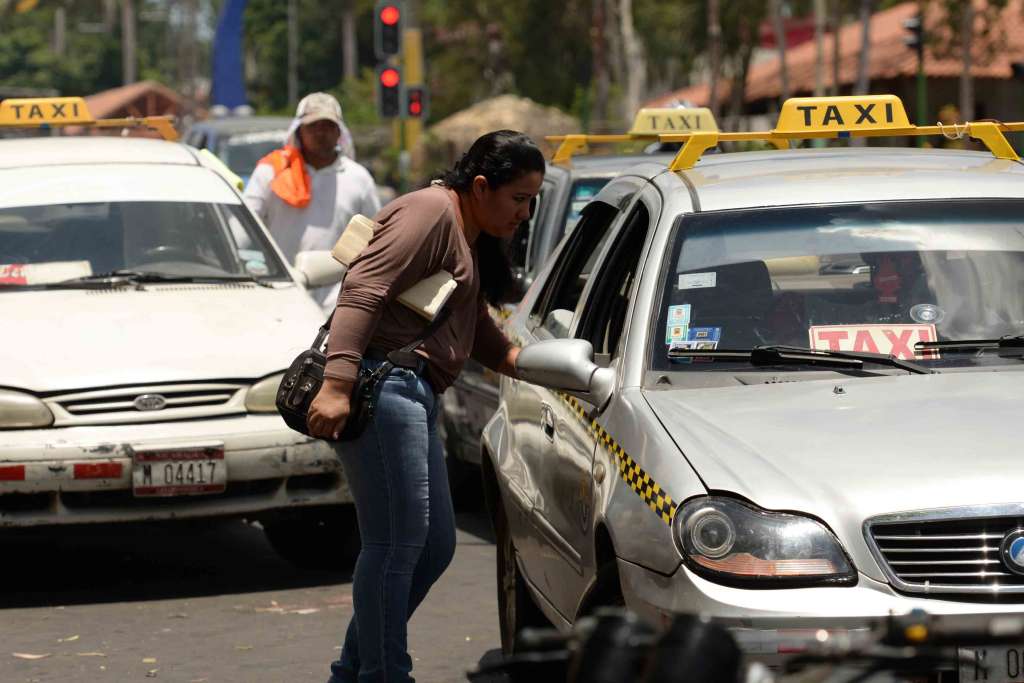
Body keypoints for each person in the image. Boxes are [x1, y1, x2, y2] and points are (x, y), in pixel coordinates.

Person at [306, 130, 545, 683]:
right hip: (382, 389)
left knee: (433, 546)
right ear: (481, 186)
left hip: (412, 393)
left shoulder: (465, 226)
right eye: (518, 199)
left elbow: (469, 318)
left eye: (532, 200)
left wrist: (519, 360)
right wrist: (338, 383)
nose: (526, 213)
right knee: (395, 546)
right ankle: (385, 674)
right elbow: (363, 288)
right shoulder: (431, 212)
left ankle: (355, 670)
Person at [243, 92, 380, 308]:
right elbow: (244, 228)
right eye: (313, 126)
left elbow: (375, 239)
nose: (320, 133)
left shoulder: (359, 179)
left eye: (327, 126)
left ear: (339, 132)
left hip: (337, 301)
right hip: (280, 293)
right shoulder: (271, 172)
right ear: (299, 130)